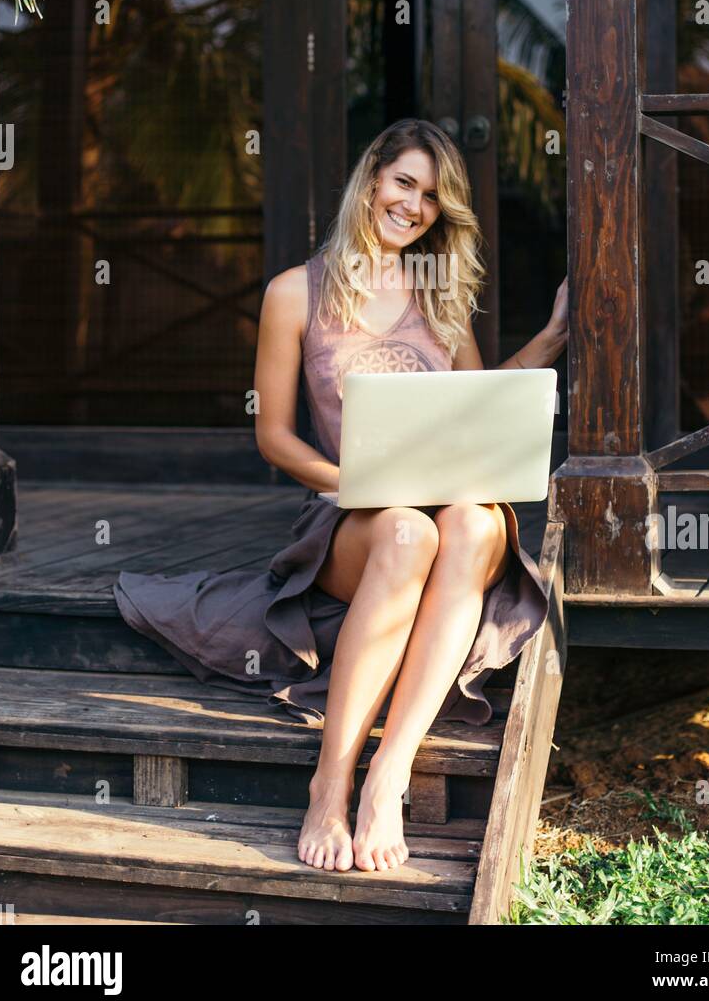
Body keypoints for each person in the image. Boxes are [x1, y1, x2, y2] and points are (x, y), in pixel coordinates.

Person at [114, 117, 568, 876]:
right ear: (372, 178)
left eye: (432, 196)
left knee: (470, 518)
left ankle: (389, 772)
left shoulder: (440, 293)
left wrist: (551, 339)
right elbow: (276, 438)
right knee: (404, 533)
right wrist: (359, 483)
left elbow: (478, 409)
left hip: (448, 510)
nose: (414, 205)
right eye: (404, 182)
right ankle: (330, 783)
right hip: (352, 514)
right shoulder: (295, 293)